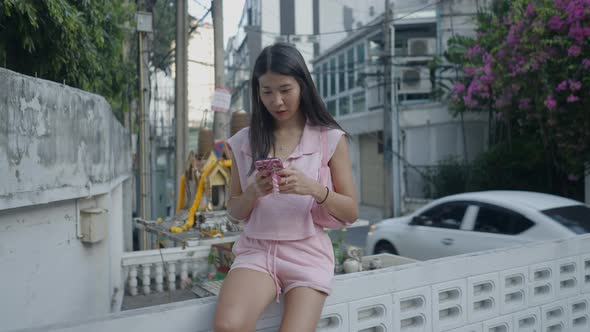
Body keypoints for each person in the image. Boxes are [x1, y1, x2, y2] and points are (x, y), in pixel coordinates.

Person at [213, 43, 358, 332]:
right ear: (257, 92)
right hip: (257, 250)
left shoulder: (329, 139)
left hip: (307, 252)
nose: (276, 101)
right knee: (228, 326)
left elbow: (351, 211)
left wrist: (314, 189)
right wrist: (254, 191)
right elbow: (235, 211)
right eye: (266, 91)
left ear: (302, 85)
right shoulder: (243, 142)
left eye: (285, 89)